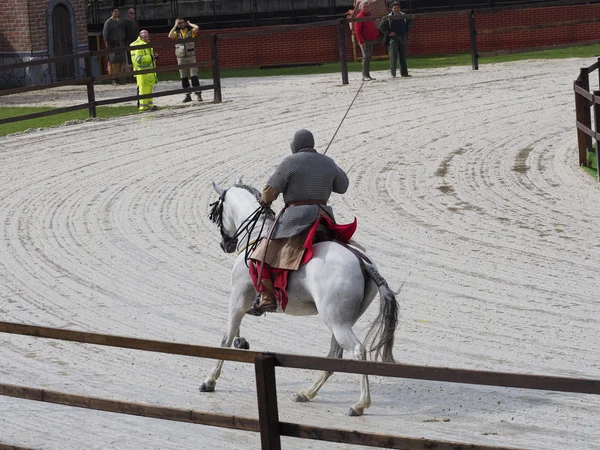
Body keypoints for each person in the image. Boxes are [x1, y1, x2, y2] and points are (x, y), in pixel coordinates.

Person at [247, 129, 351, 316]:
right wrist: (328, 166)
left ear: (295, 146)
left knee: (258, 256)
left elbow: (270, 191)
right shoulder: (328, 162)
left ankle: (268, 298)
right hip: (324, 218)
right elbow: (342, 187)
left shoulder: (290, 162)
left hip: (296, 219)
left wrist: (265, 202)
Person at [168, 18, 202, 103]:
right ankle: (187, 95)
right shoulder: (177, 33)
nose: (180, 24)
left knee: (194, 75)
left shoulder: (190, 32)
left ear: (185, 23)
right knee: (183, 76)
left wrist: (189, 23)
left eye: (182, 22)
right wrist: (175, 25)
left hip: (191, 56)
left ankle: (198, 94)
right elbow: (170, 35)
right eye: (179, 23)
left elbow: (197, 27)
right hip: (180, 57)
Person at [378, 1, 412, 78]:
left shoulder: (404, 16)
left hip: (402, 37)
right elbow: (381, 26)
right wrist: (389, 32)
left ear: (399, 8)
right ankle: (393, 74)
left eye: (397, 8)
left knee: (403, 56)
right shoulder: (388, 17)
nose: (396, 9)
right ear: (392, 9)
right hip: (393, 39)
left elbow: (410, 22)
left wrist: (406, 29)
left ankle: (404, 73)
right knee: (393, 57)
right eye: (394, 8)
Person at [130, 30, 158, 112]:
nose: (146, 38)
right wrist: (151, 57)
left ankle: (149, 105)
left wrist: (153, 57)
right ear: (140, 37)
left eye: (147, 36)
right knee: (143, 91)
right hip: (142, 73)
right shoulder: (140, 46)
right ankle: (143, 107)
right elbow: (138, 59)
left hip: (149, 72)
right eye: (144, 37)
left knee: (149, 91)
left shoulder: (146, 45)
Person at [354, 1, 379, 81]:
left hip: (370, 39)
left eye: (367, 7)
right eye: (364, 7)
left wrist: (375, 34)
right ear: (361, 8)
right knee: (366, 56)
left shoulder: (370, 15)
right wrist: (362, 41)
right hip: (364, 40)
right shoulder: (359, 17)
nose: (366, 8)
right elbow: (357, 31)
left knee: (369, 57)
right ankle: (365, 76)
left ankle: (368, 75)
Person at [102, 8, 125, 86]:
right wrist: (107, 48)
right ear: (111, 12)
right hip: (112, 45)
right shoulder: (108, 22)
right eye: (115, 11)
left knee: (120, 62)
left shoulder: (121, 21)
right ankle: (113, 79)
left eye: (118, 11)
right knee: (113, 62)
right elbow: (105, 37)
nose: (116, 12)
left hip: (120, 44)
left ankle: (119, 78)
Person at [122, 8, 140, 83]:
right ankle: (129, 77)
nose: (133, 15)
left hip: (136, 44)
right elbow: (123, 34)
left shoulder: (135, 22)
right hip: (128, 45)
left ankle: (135, 76)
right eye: (131, 13)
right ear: (128, 14)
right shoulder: (125, 23)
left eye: (134, 13)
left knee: (135, 61)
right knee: (128, 62)